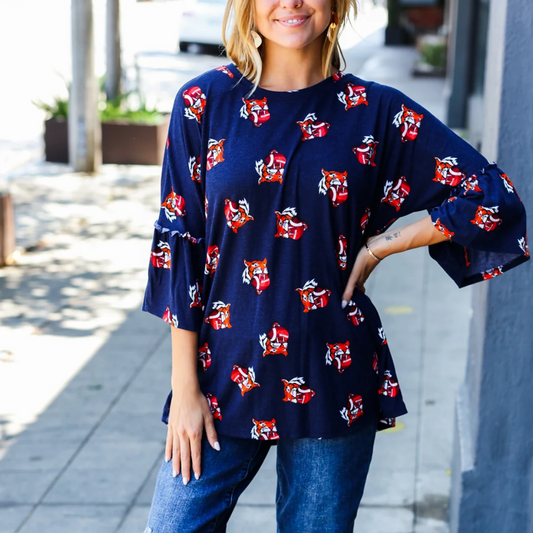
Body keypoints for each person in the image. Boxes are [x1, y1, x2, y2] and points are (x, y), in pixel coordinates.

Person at [141, 0, 529, 531]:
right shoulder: (204, 103)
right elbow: (179, 244)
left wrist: (382, 245)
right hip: (220, 376)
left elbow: (493, 197)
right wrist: (184, 389)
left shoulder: (375, 112)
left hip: (333, 374)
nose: (293, 2)